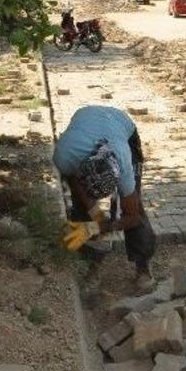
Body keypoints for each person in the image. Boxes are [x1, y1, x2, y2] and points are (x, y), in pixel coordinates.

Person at [53, 106, 156, 291]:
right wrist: (94, 214)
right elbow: (74, 180)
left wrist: (102, 226)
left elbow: (133, 217)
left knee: (136, 205)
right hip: (87, 118)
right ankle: (90, 265)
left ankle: (143, 266)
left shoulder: (124, 166)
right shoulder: (64, 156)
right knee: (80, 208)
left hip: (121, 126)